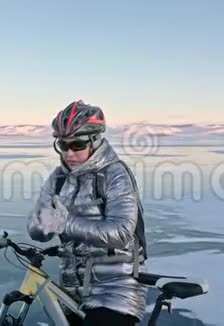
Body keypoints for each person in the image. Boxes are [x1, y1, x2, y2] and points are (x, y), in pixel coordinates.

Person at [27, 100, 148, 326]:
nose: (69, 153)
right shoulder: (58, 178)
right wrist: (42, 225)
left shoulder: (115, 175)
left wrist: (65, 224)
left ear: (95, 141)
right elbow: (36, 225)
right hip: (73, 292)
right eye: (63, 145)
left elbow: (121, 232)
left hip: (115, 291)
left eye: (78, 145)